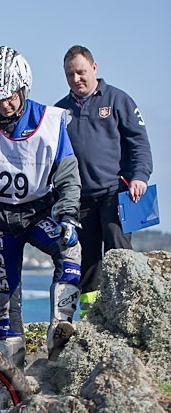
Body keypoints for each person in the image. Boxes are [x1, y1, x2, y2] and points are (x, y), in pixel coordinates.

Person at [0, 46, 82, 367]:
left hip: (39, 213)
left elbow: (68, 175)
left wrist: (67, 214)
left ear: (23, 87)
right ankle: (14, 376)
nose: (5, 103)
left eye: (10, 95)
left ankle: (61, 324)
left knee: (71, 250)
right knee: (6, 301)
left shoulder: (51, 122)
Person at [56, 45, 153, 314]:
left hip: (115, 192)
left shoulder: (119, 100)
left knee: (117, 253)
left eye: (81, 72)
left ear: (94, 68)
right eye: (70, 74)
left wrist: (140, 177)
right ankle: (91, 318)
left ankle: (127, 313)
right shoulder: (59, 112)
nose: (76, 79)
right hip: (80, 198)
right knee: (86, 261)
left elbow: (139, 144)